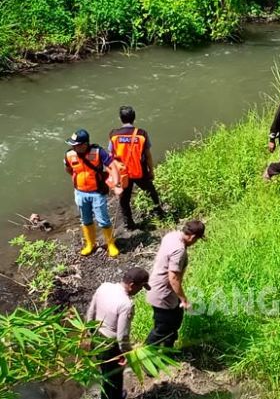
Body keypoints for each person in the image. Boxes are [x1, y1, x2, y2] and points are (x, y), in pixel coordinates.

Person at [87, 267, 150, 399]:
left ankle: (105, 395)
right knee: (114, 379)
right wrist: (127, 354)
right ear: (132, 286)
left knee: (105, 374)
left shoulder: (104, 287)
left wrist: (90, 334)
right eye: (140, 288)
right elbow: (122, 337)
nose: (139, 291)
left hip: (97, 339)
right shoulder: (126, 304)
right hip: (110, 346)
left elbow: (90, 313)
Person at [145, 220, 205, 348]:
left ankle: (168, 351)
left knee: (175, 320)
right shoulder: (179, 250)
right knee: (162, 328)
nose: (195, 243)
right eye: (197, 240)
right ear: (193, 237)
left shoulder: (171, 236)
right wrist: (184, 300)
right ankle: (146, 356)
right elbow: (173, 278)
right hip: (163, 293)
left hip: (163, 289)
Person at [64, 129, 122, 257]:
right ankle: (90, 244)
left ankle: (110, 244)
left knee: (104, 220)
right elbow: (69, 169)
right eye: (72, 144)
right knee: (85, 220)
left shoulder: (98, 152)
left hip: (97, 193)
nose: (73, 146)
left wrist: (117, 185)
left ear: (85, 144)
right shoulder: (69, 155)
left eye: (76, 144)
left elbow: (113, 167)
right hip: (80, 193)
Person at [108, 106, 164, 230]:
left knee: (124, 199)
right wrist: (151, 171)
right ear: (134, 118)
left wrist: (112, 175)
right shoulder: (141, 134)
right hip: (140, 171)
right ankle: (159, 214)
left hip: (123, 173)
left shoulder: (114, 135)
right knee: (151, 192)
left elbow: (110, 156)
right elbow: (148, 155)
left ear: (120, 118)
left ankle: (129, 224)